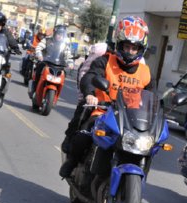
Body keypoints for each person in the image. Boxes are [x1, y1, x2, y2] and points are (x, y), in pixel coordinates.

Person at [59, 16, 154, 177]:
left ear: (140, 50)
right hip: (103, 112)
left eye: (134, 48)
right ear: (119, 45)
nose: (130, 51)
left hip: (130, 119)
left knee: (147, 146)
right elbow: (89, 77)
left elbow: (151, 95)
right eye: (127, 46)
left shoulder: (145, 72)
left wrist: (157, 111)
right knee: (83, 135)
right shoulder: (105, 61)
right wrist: (90, 94)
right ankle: (72, 161)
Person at [31, 25, 70, 98]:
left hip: (59, 65)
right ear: (55, 33)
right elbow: (39, 47)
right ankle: (34, 89)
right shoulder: (47, 40)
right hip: (46, 62)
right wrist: (39, 55)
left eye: (61, 35)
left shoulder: (65, 45)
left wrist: (70, 62)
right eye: (58, 34)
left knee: (64, 73)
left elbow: (68, 55)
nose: (59, 36)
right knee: (39, 68)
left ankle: (56, 93)